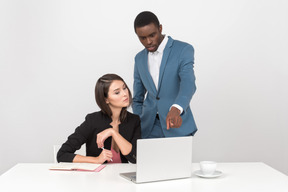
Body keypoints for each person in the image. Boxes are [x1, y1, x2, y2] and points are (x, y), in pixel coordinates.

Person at [132, 11, 197, 138]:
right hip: (148, 128)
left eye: (152, 35)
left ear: (160, 28)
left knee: (178, 158)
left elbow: (188, 84)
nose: (148, 41)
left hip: (177, 123)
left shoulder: (183, 49)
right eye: (142, 38)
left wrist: (176, 108)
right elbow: (137, 97)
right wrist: (139, 119)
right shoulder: (139, 58)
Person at [57, 74, 141, 164]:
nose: (125, 94)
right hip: (97, 176)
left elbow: (135, 158)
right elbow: (62, 155)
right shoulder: (92, 120)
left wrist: (112, 132)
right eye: (117, 92)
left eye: (124, 88)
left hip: (122, 176)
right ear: (106, 100)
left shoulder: (134, 120)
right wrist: (96, 160)